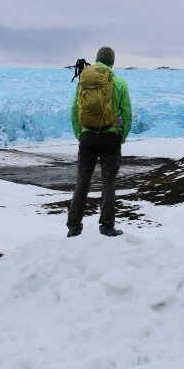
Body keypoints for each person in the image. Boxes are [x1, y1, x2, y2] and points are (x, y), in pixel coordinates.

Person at [67, 46, 132, 237]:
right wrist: (122, 136)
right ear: (113, 62)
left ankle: (74, 227)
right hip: (111, 138)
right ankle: (106, 227)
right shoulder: (119, 82)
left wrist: (81, 134)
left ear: (96, 60)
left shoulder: (83, 80)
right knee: (108, 182)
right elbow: (127, 114)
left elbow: (74, 112)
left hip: (87, 136)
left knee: (82, 182)